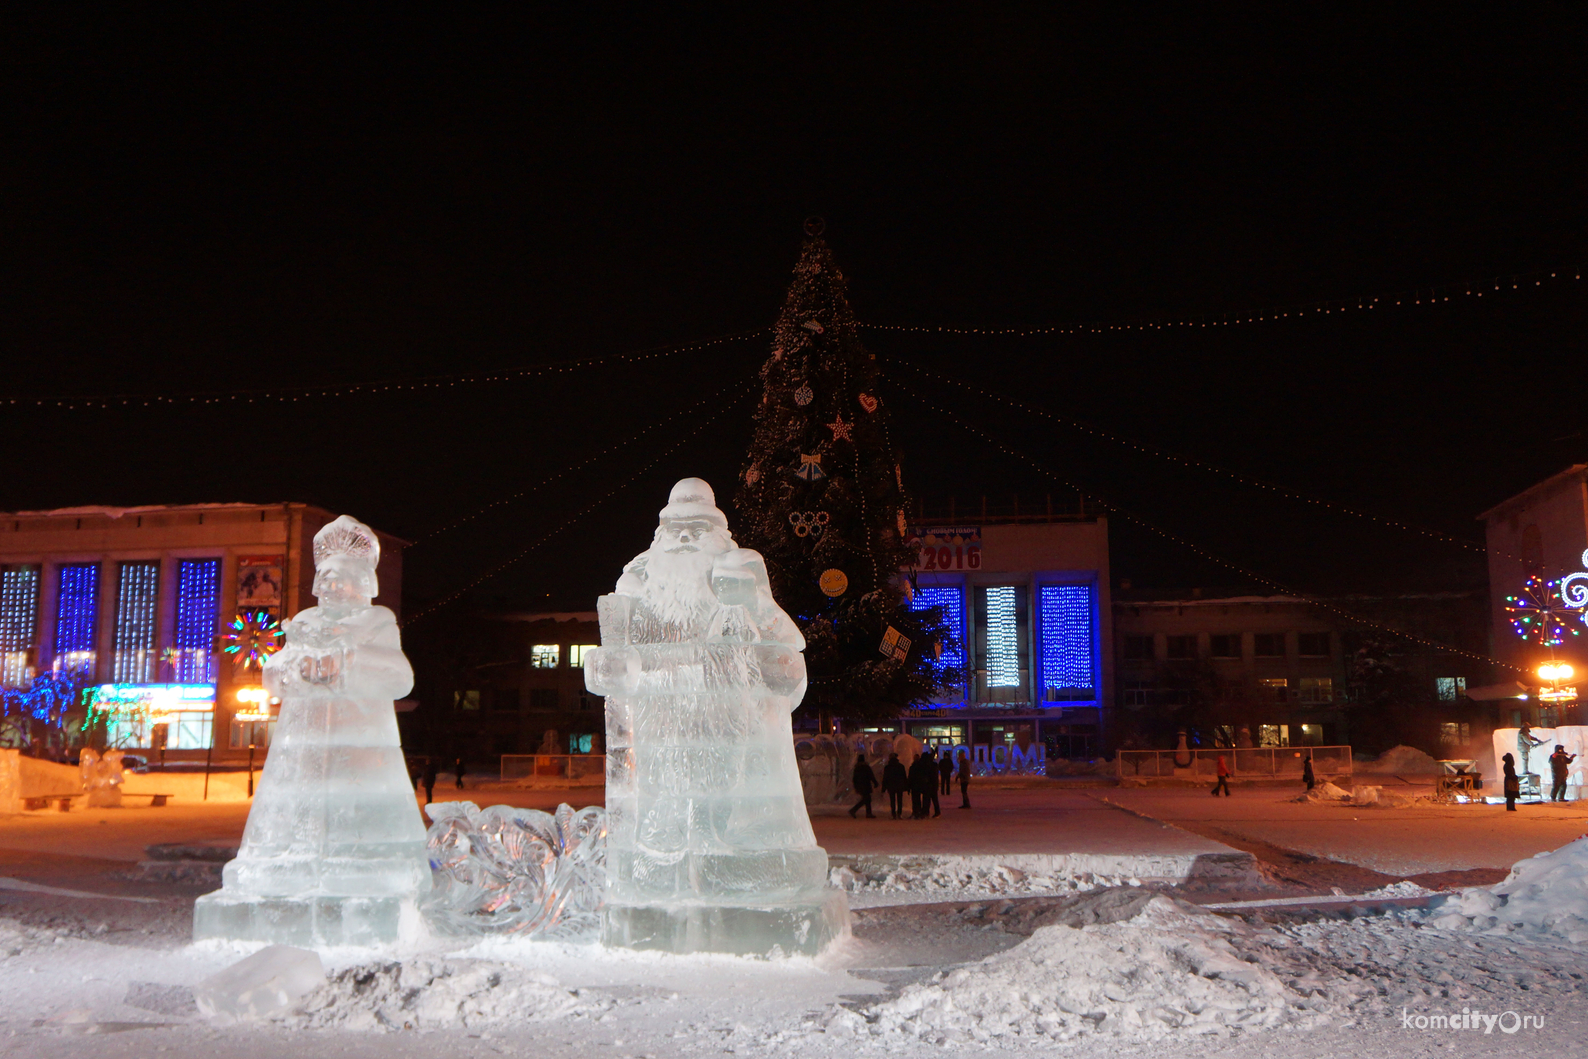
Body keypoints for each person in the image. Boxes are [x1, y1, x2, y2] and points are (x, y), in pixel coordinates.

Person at [850, 753, 877, 818]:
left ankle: (868, 813)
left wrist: (855, 786)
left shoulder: (857, 768)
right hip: (866, 785)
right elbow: (871, 775)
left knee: (867, 799)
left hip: (860, 785)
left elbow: (854, 778)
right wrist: (875, 782)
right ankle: (854, 810)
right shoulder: (866, 767)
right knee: (866, 799)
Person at [882, 752, 908, 819]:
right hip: (899, 785)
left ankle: (893, 813)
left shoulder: (887, 767)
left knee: (892, 800)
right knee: (900, 800)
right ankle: (899, 813)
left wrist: (884, 787)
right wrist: (906, 786)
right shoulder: (901, 766)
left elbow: (885, 778)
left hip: (891, 786)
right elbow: (904, 777)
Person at [924, 748, 942, 818]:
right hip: (934, 785)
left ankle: (928, 812)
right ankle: (936, 812)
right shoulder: (934, 765)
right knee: (934, 799)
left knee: (929, 799)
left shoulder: (929, 766)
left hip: (930, 784)